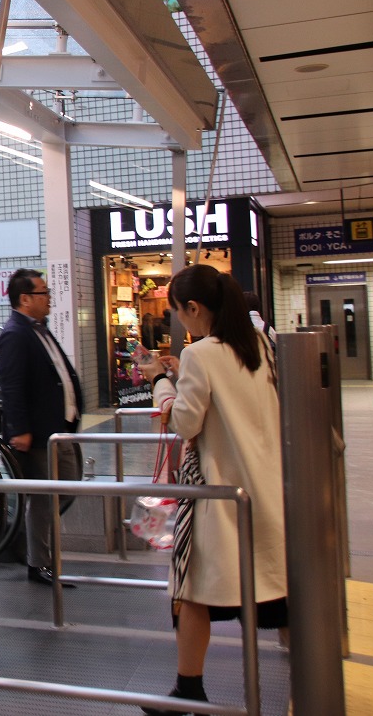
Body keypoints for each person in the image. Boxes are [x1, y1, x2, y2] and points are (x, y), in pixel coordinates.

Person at [135, 265, 286, 715]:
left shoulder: (203, 353)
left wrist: (159, 382)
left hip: (218, 493)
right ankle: (316, 679)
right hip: (267, 486)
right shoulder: (259, 344)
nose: (182, 323)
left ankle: (189, 688)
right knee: (276, 591)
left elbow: (184, 422)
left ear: (195, 308)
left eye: (181, 314)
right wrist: (183, 374)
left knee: (191, 588)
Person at [0, 267, 83, 587]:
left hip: (59, 430)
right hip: (37, 435)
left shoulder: (38, 329)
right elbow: (12, 386)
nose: (49, 298)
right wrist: (19, 429)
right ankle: (38, 562)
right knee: (44, 499)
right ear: (25, 299)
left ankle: (31, 536)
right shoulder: (15, 334)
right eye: (43, 293)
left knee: (69, 484)